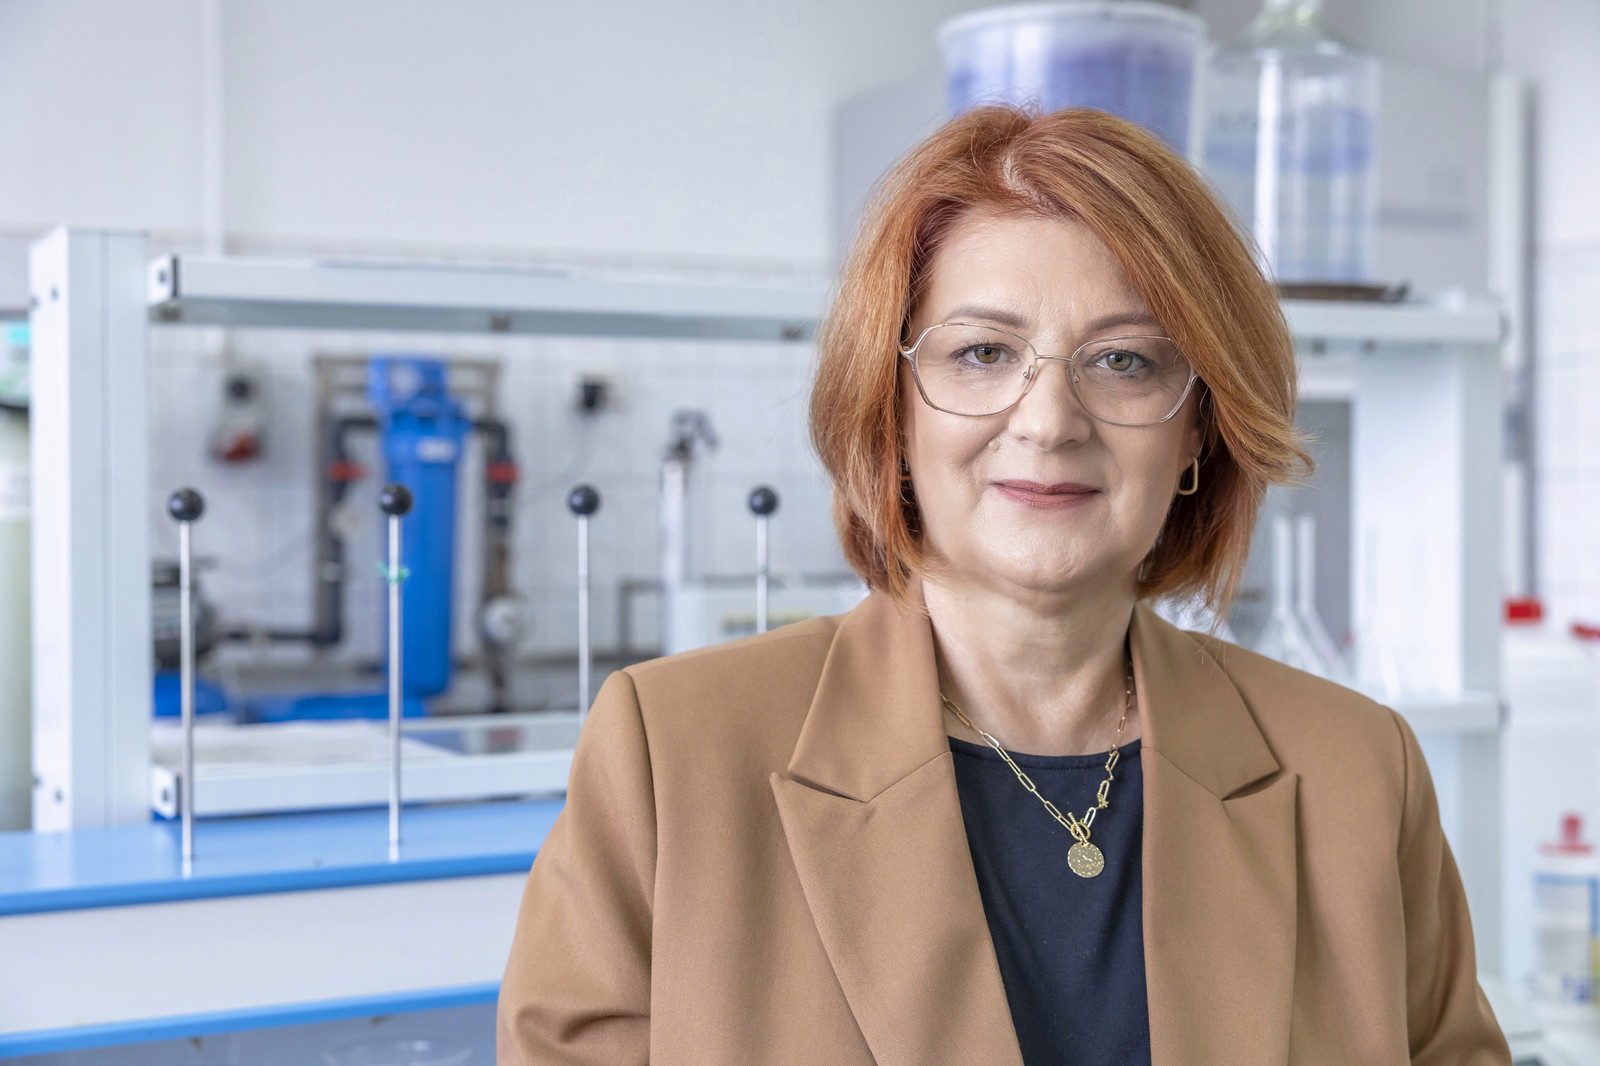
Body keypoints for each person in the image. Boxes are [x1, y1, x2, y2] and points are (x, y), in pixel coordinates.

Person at [497, 106, 1512, 1065]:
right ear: (892, 409)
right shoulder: (671, 754)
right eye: (983, 352)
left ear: (1199, 429)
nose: (1049, 420)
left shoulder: (1357, 770)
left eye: (1124, 361)